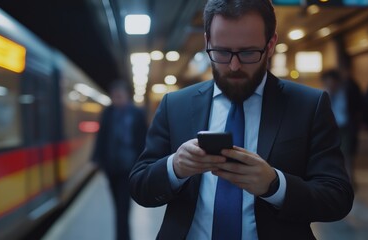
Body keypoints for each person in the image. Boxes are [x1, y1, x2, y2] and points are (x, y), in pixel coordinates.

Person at [129, 1, 354, 239]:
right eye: (222, 52)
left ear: (270, 45)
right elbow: (140, 186)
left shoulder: (309, 105)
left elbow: (337, 197)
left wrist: (275, 185)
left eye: (248, 52)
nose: (234, 66)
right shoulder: (175, 105)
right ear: (207, 42)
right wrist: (174, 167)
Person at [92, 80, 147, 240]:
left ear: (127, 96)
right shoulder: (108, 113)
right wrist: (97, 159)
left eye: (119, 96)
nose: (117, 100)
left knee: (123, 207)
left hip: (129, 167)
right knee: (117, 205)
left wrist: (144, 161)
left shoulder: (137, 113)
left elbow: (143, 138)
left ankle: (122, 237)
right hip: (111, 167)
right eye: (114, 97)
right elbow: (101, 137)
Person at [320, 69, 364, 187]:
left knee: (347, 154)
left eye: (333, 82)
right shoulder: (322, 94)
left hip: (345, 127)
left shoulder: (347, 91)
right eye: (328, 82)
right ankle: (335, 180)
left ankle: (350, 180)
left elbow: (357, 107)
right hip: (329, 128)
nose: (331, 85)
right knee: (330, 155)